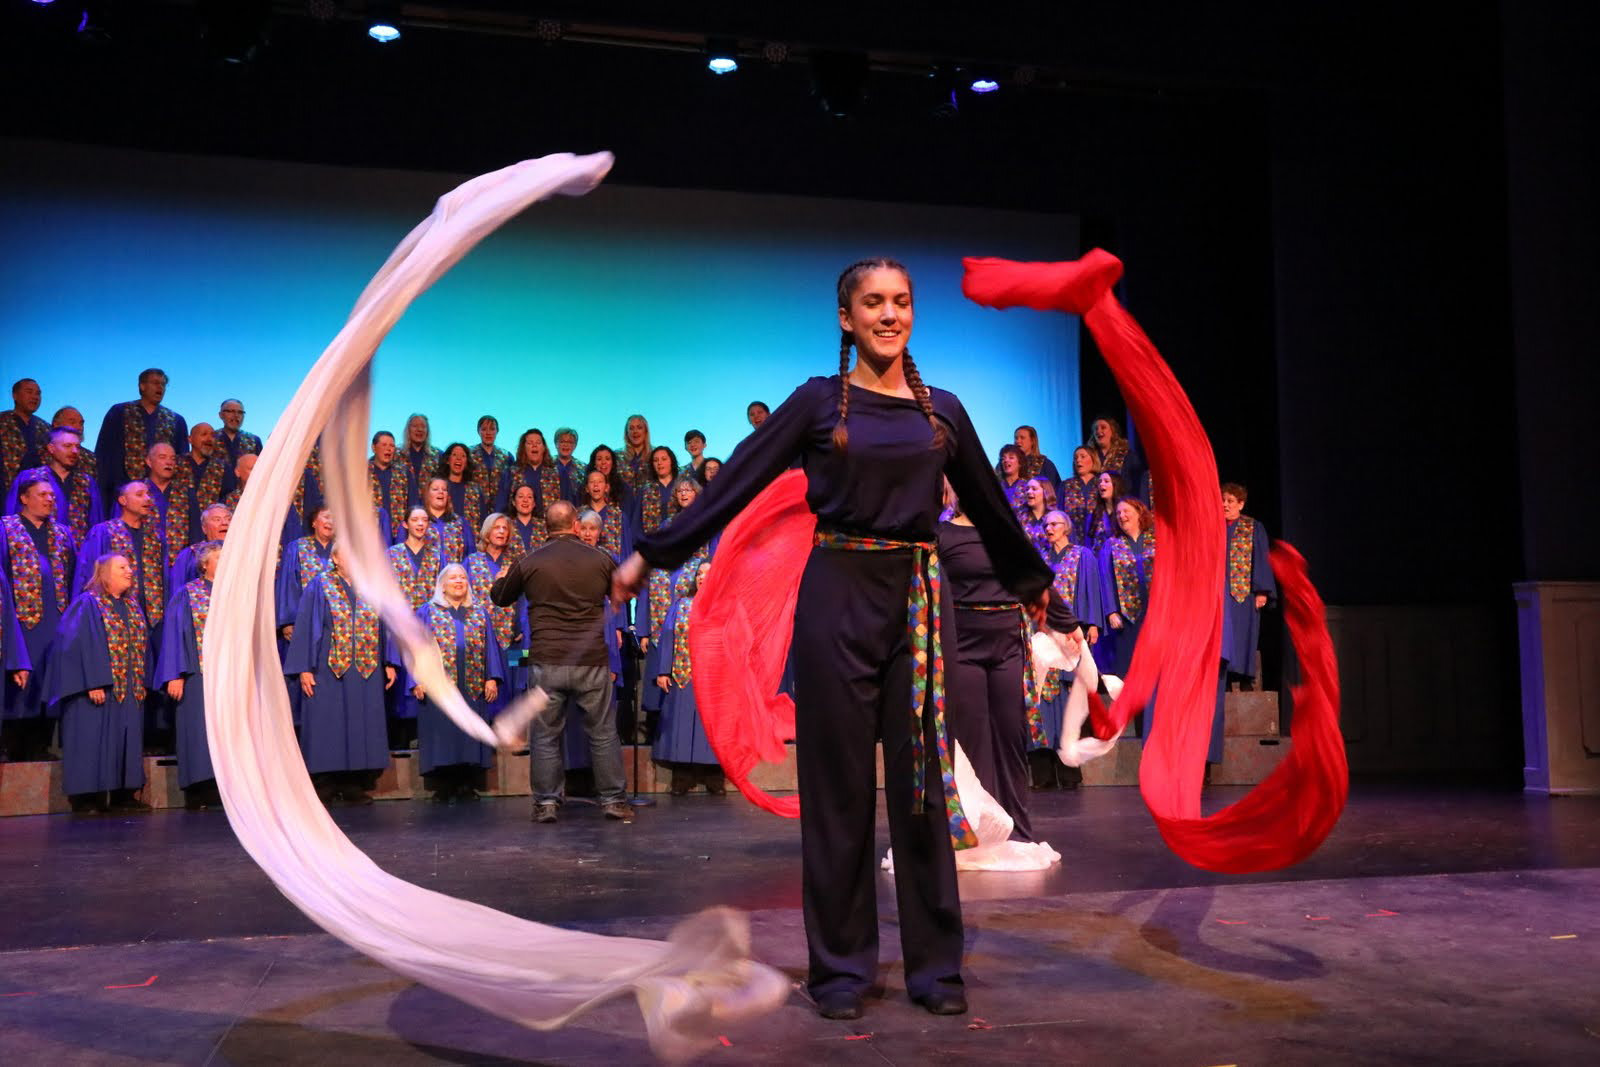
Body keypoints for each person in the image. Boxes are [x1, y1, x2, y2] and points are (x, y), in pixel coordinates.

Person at [614, 257, 1078, 1021]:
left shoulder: (943, 412)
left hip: (919, 604)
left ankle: (936, 967)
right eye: (874, 302)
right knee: (839, 792)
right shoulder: (817, 403)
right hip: (837, 598)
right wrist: (652, 552)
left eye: (901, 301)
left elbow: (994, 512)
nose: (889, 314)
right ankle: (840, 968)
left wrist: (1043, 596)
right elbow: (736, 482)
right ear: (846, 316)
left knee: (924, 790)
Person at [491, 500, 628, 824]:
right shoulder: (600, 558)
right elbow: (623, 593)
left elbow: (500, 597)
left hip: (547, 661)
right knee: (603, 732)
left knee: (545, 735)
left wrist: (502, 577)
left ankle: (546, 804)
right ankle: (613, 801)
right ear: (576, 526)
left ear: (545, 527)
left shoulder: (530, 559)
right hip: (591, 661)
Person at [938, 497, 1043, 843]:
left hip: (1007, 643)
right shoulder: (944, 534)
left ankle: (1018, 829)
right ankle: (979, 829)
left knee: (1011, 731)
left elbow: (1032, 579)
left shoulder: (1007, 531)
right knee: (973, 735)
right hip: (963, 644)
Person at [284, 543, 397, 805]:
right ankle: (325, 784)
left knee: (361, 724)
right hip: (328, 668)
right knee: (328, 724)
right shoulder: (320, 585)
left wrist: (389, 661)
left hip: (366, 668)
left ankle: (354, 785)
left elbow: (386, 625)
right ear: (335, 558)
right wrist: (304, 668)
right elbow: (306, 627)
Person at [45, 553, 150, 814]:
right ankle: (86, 798)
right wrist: (92, 681)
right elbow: (75, 645)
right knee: (91, 740)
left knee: (125, 740)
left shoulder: (132, 606)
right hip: (95, 689)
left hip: (128, 689)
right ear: (105, 573)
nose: (129, 571)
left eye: (130, 566)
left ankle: (123, 795)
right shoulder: (87, 604)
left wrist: (142, 680)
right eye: (122, 567)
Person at [409, 563, 505, 803]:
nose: (459, 581)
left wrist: (492, 677)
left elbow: (490, 647)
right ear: (442, 585)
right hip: (438, 686)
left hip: (472, 684)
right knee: (443, 732)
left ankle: (466, 784)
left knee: (468, 733)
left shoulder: (479, 612)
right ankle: (443, 785)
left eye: (463, 577)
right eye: (453, 578)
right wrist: (417, 680)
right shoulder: (427, 612)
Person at [1, 471, 74, 761]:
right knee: (20, 679)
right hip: (20, 622)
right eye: (42, 494)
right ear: (24, 498)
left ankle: (40, 746)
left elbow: (72, 575)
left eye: (52, 495)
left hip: (55, 621)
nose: (49, 499)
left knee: (49, 679)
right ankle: (12, 746)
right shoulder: (7, 529)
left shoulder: (62, 534)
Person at [1031, 509, 1107, 788]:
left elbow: (1091, 591)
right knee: (1040, 700)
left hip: (1070, 637)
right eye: (1046, 524)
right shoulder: (1039, 558)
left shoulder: (1082, 556)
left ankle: (1069, 772)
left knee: (1067, 699)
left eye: (1054, 524)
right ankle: (1042, 773)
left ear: (1066, 527)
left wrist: (1092, 624)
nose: (1049, 528)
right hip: (1042, 636)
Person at [155, 540, 224, 809]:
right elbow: (174, 635)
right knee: (198, 730)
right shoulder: (188, 594)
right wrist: (175, 674)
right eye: (219, 558)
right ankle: (199, 790)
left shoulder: (234, 594)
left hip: (227, 676)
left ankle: (225, 788)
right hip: (197, 674)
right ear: (204, 564)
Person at [649, 559, 725, 796]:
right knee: (681, 727)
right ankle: (682, 778)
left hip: (713, 676)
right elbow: (668, 636)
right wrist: (663, 671)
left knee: (710, 728)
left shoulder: (725, 605)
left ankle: (714, 777)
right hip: (683, 674)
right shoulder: (681, 605)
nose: (702, 577)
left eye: (707, 573)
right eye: (699, 573)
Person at [1214, 482, 1277, 766]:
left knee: (1242, 632)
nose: (1225, 505)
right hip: (1218, 592)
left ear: (1241, 504)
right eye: (1223, 500)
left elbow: (1261, 559)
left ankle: (1241, 674)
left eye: (1231, 501)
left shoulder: (1253, 527)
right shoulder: (1213, 526)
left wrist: (1262, 590)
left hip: (1242, 592)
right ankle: (1225, 675)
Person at [76, 480, 167, 631]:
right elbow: (88, 575)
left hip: (154, 617)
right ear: (123, 500)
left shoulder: (156, 536)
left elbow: (164, 577)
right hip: (114, 614)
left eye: (148, 494)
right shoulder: (104, 532)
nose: (147, 499)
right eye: (139, 495)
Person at [94, 368, 189, 511]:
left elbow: (181, 459)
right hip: (123, 489)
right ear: (142, 386)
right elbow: (104, 453)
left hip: (161, 493)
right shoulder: (120, 412)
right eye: (155, 383)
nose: (160, 387)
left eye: (163, 384)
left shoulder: (175, 420)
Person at [6, 424, 102, 547]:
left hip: (78, 552)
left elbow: (95, 523)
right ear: (51, 448)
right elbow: (12, 516)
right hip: (36, 550)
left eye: (77, 447)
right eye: (67, 446)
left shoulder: (86, 482)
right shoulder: (30, 477)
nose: (74, 451)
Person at [466, 513, 527, 693]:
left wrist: (522, 627)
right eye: (496, 527)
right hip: (481, 636)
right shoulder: (471, 561)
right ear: (487, 532)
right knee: (488, 686)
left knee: (516, 685)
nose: (501, 531)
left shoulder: (517, 563)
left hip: (514, 637)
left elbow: (526, 596)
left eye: (504, 528)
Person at [1097, 496, 1155, 678]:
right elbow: (1105, 579)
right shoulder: (1112, 544)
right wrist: (1111, 611)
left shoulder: (1155, 540)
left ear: (1139, 513)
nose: (1121, 516)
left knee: (1154, 660)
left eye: (1126, 511)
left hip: (1155, 609)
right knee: (1129, 663)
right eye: (1118, 513)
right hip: (1127, 615)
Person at [276, 505, 335, 641]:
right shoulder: (297, 548)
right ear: (314, 522)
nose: (331, 522)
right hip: (304, 618)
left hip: (336, 618)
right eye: (326, 517)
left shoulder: (342, 550)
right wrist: (288, 621)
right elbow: (288, 585)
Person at [625, 445, 678, 567]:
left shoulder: (682, 486)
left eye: (664, 459)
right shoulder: (646, 490)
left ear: (671, 461)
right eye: (656, 460)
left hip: (678, 545)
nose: (660, 463)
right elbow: (636, 523)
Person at [510, 429, 562, 544]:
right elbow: (502, 505)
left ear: (544, 448)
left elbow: (567, 504)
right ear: (523, 448)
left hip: (553, 531)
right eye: (530, 443)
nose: (534, 445)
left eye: (538, 443)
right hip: (519, 533)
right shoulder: (512, 472)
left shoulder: (557, 473)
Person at [143, 442, 190, 568]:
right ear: (149, 461)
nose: (169, 462)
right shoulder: (137, 491)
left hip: (179, 563)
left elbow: (195, 531)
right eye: (162, 457)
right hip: (144, 561)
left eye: (173, 459)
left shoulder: (185, 492)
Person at [388, 507, 444, 611]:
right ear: (406, 524)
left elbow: (443, 588)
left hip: (429, 616)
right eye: (414, 520)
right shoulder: (393, 554)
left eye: (425, 520)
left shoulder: (436, 555)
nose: (420, 523)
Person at [1, 378, 50, 494]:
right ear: (15, 396)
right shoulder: (2, 422)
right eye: (29, 392)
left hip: (38, 493)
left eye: (38, 393)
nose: (35, 397)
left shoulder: (45, 428)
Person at [169, 502, 231, 593]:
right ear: (204, 528)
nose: (224, 523)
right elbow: (177, 591)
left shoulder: (242, 552)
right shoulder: (189, 555)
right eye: (217, 519)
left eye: (228, 519)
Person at [181, 422, 230, 535]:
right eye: (204, 434)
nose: (209, 439)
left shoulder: (222, 467)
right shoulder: (177, 464)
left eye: (212, 435)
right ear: (190, 439)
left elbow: (227, 499)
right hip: (179, 529)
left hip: (210, 531)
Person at [1088, 414, 1147, 502]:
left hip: (1121, 502)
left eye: (1103, 427)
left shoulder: (1126, 455)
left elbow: (1136, 482)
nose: (1098, 431)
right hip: (1096, 504)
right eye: (1096, 429)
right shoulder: (1089, 457)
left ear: (1112, 431)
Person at [437, 443, 488, 536]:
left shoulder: (475, 489)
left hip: (471, 540)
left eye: (463, 456)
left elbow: (483, 519)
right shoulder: (439, 487)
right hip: (444, 539)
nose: (458, 458)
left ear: (466, 463)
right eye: (454, 455)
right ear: (448, 460)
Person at [422, 476, 473, 562]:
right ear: (427, 494)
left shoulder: (460, 523)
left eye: (444, 490)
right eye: (435, 489)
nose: (441, 492)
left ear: (448, 496)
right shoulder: (417, 521)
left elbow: (471, 555)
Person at [368, 430, 407, 543]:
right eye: (384, 445)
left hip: (399, 535)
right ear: (373, 448)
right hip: (370, 534)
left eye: (392, 446)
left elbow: (412, 503)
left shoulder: (403, 473)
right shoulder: (362, 472)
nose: (388, 449)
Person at [215, 398, 263, 486]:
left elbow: (262, 469)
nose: (236, 415)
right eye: (231, 411)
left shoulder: (254, 440)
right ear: (221, 415)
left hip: (246, 491)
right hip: (216, 491)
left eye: (240, 412)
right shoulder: (212, 439)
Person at [472, 415, 513, 514]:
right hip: (475, 508)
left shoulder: (506, 456)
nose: (488, 433)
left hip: (501, 510)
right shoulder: (469, 454)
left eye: (492, 429)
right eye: (484, 429)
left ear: (497, 431)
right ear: (478, 431)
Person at [580, 469, 625, 560]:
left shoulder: (618, 516)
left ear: (606, 487)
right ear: (587, 488)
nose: (596, 485)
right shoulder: (579, 515)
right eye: (592, 482)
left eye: (600, 482)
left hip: (610, 565)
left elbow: (625, 550)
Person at [1061, 445, 1100, 546]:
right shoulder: (1066, 485)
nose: (1078, 460)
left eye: (1083, 456)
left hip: (1098, 540)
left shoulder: (1101, 484)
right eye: (1076, 458)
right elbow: (1059, 513)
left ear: (1093, 459)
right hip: (1072, 541)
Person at [401, 413, 442, 507]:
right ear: (408, 430)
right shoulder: (397, 455)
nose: (419, 429)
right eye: (415, 426)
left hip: (429, 507)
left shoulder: (437, 455)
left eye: (423, 426)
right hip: (402, 506)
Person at [1084, 470, 1127, 552]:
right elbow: (1089, 541)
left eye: (1106, 481)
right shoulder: (1095, 514)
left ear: (1116, 485)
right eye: (1100, 482)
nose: (1101, 484)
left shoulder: (1125, 511)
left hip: (1120, 556)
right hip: (1098, 557)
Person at [1018, 477, 1058, 557]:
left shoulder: (1057, 518)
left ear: (1045, 492)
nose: (1029, 492)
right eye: (1027, 489)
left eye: (1034, 489)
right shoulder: (1019, 516)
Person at [618, 414, 652, 496]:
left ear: (646, 431)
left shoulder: (655, 456)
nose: (635, 431)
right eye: (631, 428)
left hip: (650, 503)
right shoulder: (617, 456)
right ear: (627, 433)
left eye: (639, 427)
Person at [586, 443, 628, 508]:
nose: (603, 462)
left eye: (607, 459)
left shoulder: (623, 488)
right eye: (599, 459)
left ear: (612, 463)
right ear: (594, 463)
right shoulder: (585, 487)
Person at [507, 483, 541, 558]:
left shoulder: (544, 526)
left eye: (529, 497)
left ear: (534, 503)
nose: (525, 500)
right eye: (521, 496)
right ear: (514, 502)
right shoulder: (506, 525)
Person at [552, 428, 584, 505]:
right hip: (551, 509)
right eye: (562, 442)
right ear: (556, 444)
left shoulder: (583, 468)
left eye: (570, 442)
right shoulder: (547, 464)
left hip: (576, 510)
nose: (566, 445)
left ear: (575, 446)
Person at [995, 444, 1028, 516]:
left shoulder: (1027, 488)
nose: (1006, 460)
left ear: (1020, 463)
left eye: (1011, 457)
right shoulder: (995, 486)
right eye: (1003, 458)